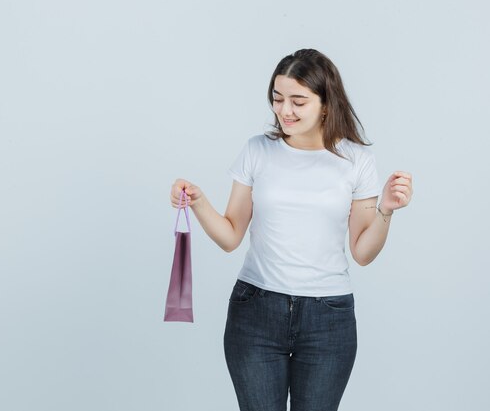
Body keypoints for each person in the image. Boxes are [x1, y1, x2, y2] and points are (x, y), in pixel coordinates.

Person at [169, 48, 413, 411]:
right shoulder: (258, 150)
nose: (285, 111)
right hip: (256, 311)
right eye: (277, 98)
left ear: (326, 104)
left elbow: (363, 252)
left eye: (298, 101)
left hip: (328, 318)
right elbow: (231, 235)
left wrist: (386, 211)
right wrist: (200, 200)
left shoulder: (356, 161)